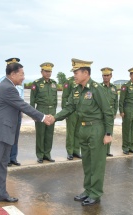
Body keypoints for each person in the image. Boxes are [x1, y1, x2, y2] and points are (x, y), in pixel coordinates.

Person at [0, 60, 51, 212]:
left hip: (4, 133)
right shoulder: (7, 88)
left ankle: (0, 194)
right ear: (12, 74)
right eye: (22, 74)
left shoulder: (9, 86)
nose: (24, 77)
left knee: (2, 165)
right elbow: (23, 105)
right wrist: (43, 117)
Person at [48, 58, 114, 206]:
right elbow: (69, 107)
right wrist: (54, 118)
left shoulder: (96, 88)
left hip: (96, 129)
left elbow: (107, 111)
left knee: (97, 163)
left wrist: (108, 133)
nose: (74, 75)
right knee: (87, 162)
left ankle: (96, 193)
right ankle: (88, 190)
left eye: (76, 72)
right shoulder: (77, 90)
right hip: (83, 129)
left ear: (85, 73)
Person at [0, 58, 24, 167]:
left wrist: (22, 110)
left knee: (15, 136)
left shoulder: (19, 81)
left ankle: (13, 157)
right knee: (6, 136)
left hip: (17, 111)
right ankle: (6, 159)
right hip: (7, 112)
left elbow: (21, 97)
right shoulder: (2, 80)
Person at [30, 62, 57, 163]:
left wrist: (55, 113)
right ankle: (40, 155)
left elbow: (55, 100)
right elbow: (32, 100)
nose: (48, 73)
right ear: (41, 72)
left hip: (51, 111)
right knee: (40, 134)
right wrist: (33, 113)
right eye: (46, 71)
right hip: (41, 110)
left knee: (49, 134)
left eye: (49, 71)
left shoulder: (54, 83)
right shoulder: (36, 83)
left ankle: (47, 154)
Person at [119, 67, 133, 155]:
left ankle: (131, 146)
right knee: (126, 129)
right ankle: (125, 147)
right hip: (128, 109)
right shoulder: (126, 86)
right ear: (130, 75)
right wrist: (121, 110)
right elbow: (121, 100)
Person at [62, 76, 81, 160]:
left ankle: (76, 151)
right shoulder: (69, 81)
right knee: (70, 132)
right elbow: (65, 97)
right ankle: (70, 152)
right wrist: (65, 112)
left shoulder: (83, 80)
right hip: (72, 111)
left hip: (81, 110)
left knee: (79, 132)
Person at [100, 67, 118, 156]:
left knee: (109, 132)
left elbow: (116, 102)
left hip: (110, 114)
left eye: (107, 75)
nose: (106, 77)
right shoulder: (98, 87)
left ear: (111, 76)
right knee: (100, 132)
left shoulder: (114, 88)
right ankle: (101, 151)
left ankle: (107, 151)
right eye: (104, 75)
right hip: (101, 114)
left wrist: (115, 112)